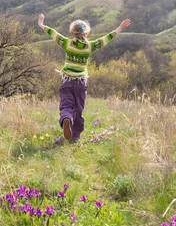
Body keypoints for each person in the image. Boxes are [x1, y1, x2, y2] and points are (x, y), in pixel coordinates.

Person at [38, 13, 131, 141]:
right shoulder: (90, 46)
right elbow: (106, 39)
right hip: (81, 83)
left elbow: (53, 33)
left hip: (67, 82)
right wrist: (120, 28)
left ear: (72, 34)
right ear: (86, 34)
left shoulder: (67, 43)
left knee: (66, 105)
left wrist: (41, 24)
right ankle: (75, 136)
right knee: (78, 109)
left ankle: (66, 119)